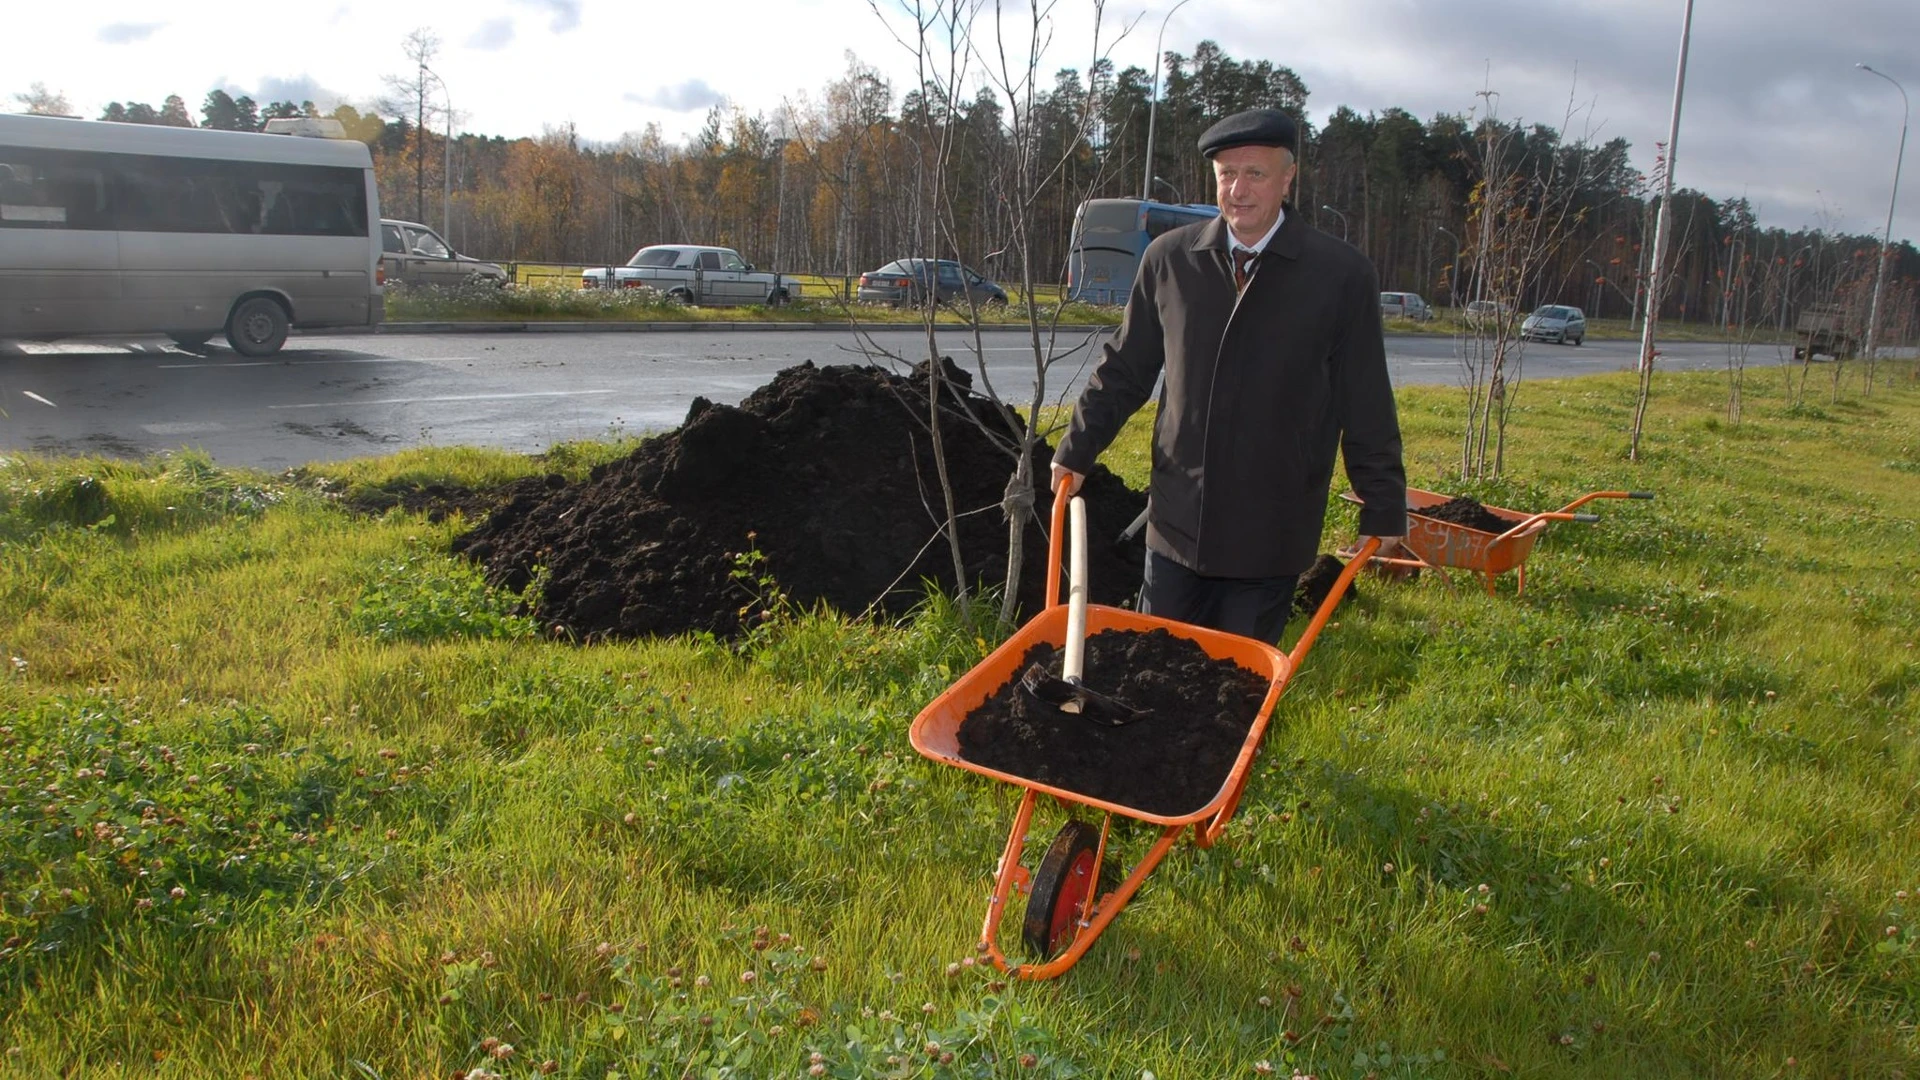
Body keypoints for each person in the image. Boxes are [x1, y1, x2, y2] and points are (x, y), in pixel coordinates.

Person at [1050, 107, 1407, 644]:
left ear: (1288, 178)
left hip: (1271, 529)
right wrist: (1076, 450)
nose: (1238, 190)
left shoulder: (1339, 276)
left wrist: (1382, 504)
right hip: (1176, 522)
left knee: (1236, 686)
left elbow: (1365, 399)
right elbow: (1125, 367)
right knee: (1153, 666)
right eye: (1226, 175)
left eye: (1255, 174)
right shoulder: (1171, 261)